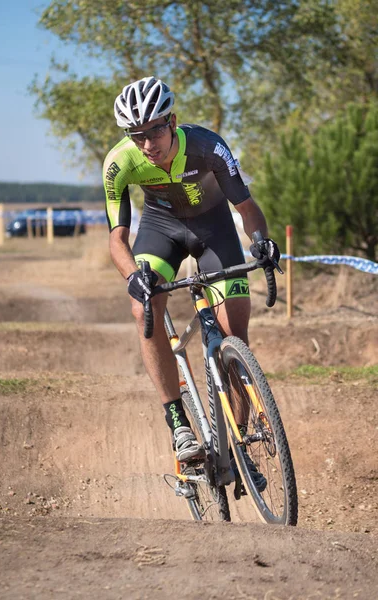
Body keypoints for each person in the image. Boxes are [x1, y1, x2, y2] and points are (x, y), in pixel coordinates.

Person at [103, 76, 280, 464]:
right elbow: (117, 239)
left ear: (172, 121)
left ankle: (239, 443)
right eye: (137, 135)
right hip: (160, 230)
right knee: (143, 307)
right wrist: (135, 276)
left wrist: (260, 240)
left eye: (154, 131)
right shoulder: (119, 163)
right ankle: (178, 423)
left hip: (213, 230)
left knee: (234, 334)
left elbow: (247, 211)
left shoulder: (207, 146)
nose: (148, 145)